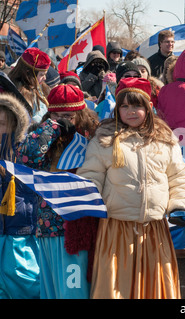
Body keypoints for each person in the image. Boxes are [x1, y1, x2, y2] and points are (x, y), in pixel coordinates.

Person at [77, 77, 185, 299]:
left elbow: (178, 177)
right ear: (117, 108)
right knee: (116, 288)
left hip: (154, 231)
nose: (131, 111)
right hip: (116, 230)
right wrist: (86, 197)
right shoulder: (105, 139)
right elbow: (91, 175)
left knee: (155, 288)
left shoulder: (165, 138)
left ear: (149, 107)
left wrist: (179, 205)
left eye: (137, 105)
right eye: (124, 106)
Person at [16, 84, 100, 299]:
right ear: (50, 114)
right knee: (52, 290)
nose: (64, 119)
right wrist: (53, 129)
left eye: (69, 116)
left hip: (77, 228)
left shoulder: (91, 137)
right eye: (57, 115)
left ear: (80, 114)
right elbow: (26, 158)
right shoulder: (42, 134)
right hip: (47, 226)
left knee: (74, 291)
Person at [0, 93, 40, 299]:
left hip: (20, 236)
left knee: (26, 287)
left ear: (14, 125)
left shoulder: (24, 155)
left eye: (1, 124)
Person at [8, 47, 51, 123]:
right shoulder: (16, 93)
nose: (45, 78)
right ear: (28, 73)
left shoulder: (42, 88)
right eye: (42, 75)